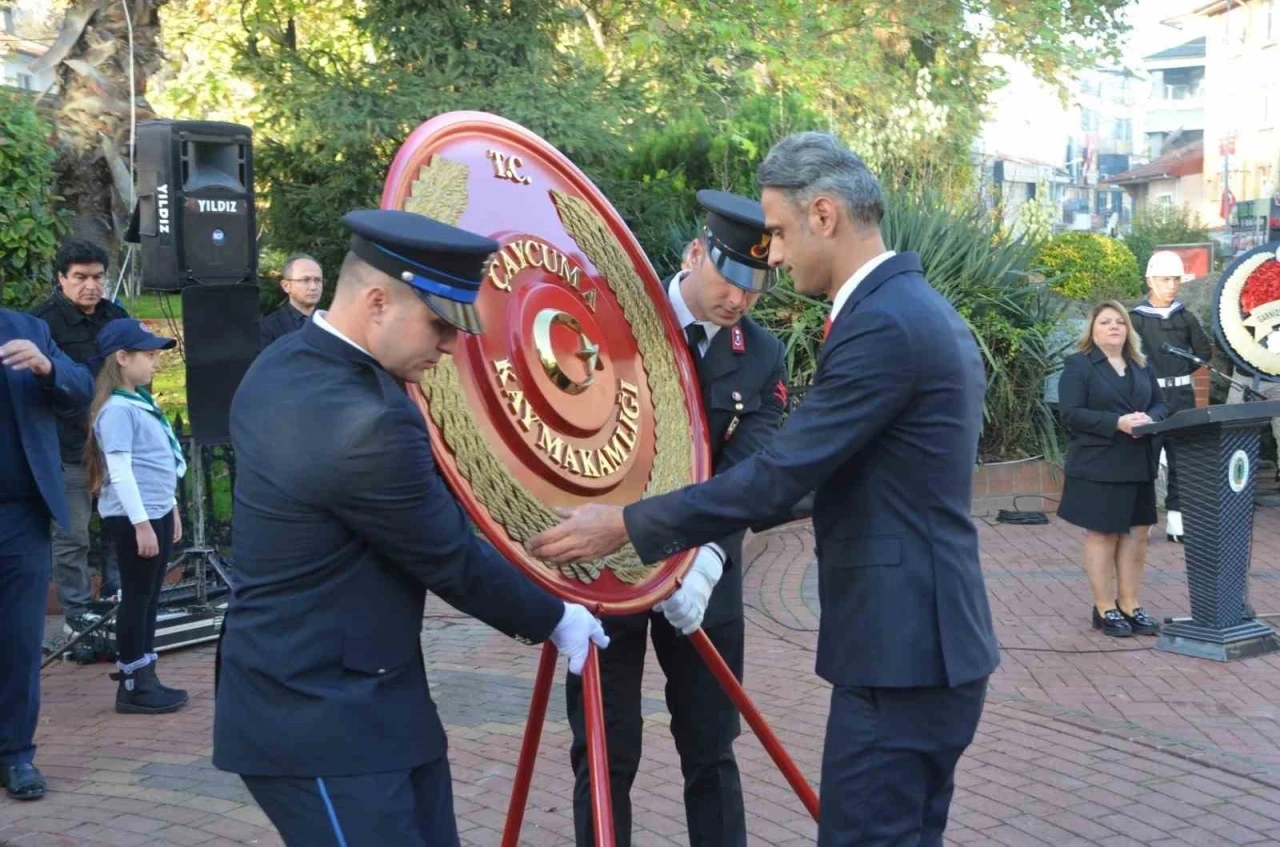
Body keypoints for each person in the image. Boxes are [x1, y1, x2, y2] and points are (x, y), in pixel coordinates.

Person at [529, 132, 1000, 847]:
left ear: (823, 216)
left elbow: (780, 472)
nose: (771, 256)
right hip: (922, 645)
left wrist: (630, 524)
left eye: (778, 233)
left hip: (903, 651)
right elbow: (815, 476)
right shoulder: (913, 309)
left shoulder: (883, 323)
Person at [212, 208, 609, 846]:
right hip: (324, 721)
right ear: (376, 302)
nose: (451, 346)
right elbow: (449, 555)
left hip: (365, 699)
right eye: (438, 324)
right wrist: (557, 617)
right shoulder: (364, 419)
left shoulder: (285, 363)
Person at [565, 190, 788, 847]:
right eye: (731, 279)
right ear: (697, 251)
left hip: (702, 581)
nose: (739, 300)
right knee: (606, 755)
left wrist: (708, 559)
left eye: (756, 288)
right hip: (609, 572)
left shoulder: (762, 355)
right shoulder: (614, 321)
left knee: (711, 749)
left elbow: (747, 472)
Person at [0, 308, 94, 800]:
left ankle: (16, 755)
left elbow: (80, 388)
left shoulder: (27, 329)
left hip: (19, 516)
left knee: (18, 640)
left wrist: (47, 367)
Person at [84, 319, 189, 713]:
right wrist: (141, 524)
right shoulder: (116, 411)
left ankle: (147, 675)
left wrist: (172, 508)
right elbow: (122, 470)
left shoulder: (140, 402)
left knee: (150, 597)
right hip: (134, 517)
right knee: (138, 596)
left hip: (154, 509)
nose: (154, 363)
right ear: (122, 359)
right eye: (147, 356)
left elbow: (158, 462)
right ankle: (132, 683)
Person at [30, 238, 129, 631]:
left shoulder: (115, 316)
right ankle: (76, 615)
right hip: (66, 445)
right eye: (80, 277)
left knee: (117, 526)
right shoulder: (42, 322)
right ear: (61, 278)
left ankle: (115, 596)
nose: (90, 285)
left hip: (114, 442)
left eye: (97, 277)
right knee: (72, 535)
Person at [1057, 302, 1169, 638]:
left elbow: (1162, 403)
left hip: (1138, 460)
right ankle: (1104, 606)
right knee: (1103, 533)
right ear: (1092, 329)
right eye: (1105, 322)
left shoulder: (1140, 364)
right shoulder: (1079, 366)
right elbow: (1071, 413)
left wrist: (1152, 419)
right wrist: (1115, 422)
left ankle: (1130, 604)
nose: (1114, 327)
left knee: (1138, 534)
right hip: (1098, 462)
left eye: (1120, 322)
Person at [1128, 251, 1211, 544]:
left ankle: (1177, 522)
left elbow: (1203, 352)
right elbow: (1127, 358)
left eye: (1176, 279)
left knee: (1182, 459)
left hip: (1182, 395)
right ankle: (1143, 519)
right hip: (1150, 398)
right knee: (1145, 460)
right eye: (1165, 279)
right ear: (1150, 280)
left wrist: (1179, 368)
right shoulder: (1135, 318)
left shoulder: (1185, 316)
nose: (1172, 285)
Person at [259, 253, 324, 348]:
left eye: (318, 280)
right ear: (286, 286)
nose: (313, 287)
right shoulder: (268, 327)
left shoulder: (331, 322)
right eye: (305, 280)